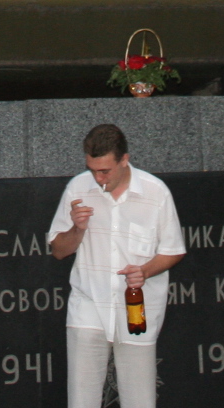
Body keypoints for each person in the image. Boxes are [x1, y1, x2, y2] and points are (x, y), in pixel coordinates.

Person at [46, 124, 185, 408]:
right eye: (92, 170)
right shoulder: (78, 188)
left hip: (138, 308)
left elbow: (173, 251)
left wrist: (145, 271)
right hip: (88, 303)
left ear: (124, 160)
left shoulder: (156, 192)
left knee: (140, 400)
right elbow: (58, 251)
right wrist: (77, 229)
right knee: (81, 400)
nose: (98, 178)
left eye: (105, 171)